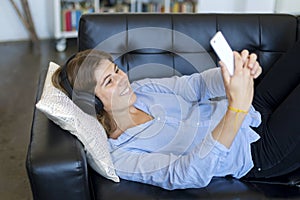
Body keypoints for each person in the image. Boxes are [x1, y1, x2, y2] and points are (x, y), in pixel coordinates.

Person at [52, 41, 300, 190]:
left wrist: (233, 74)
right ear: (92, 102)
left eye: (117, 70)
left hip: (252, 107)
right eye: (109, 81)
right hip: (255, 150)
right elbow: (186, 173)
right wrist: (236, 109)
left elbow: (196, 86)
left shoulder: (142, 89)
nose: (123, 80)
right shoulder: (122, 155)